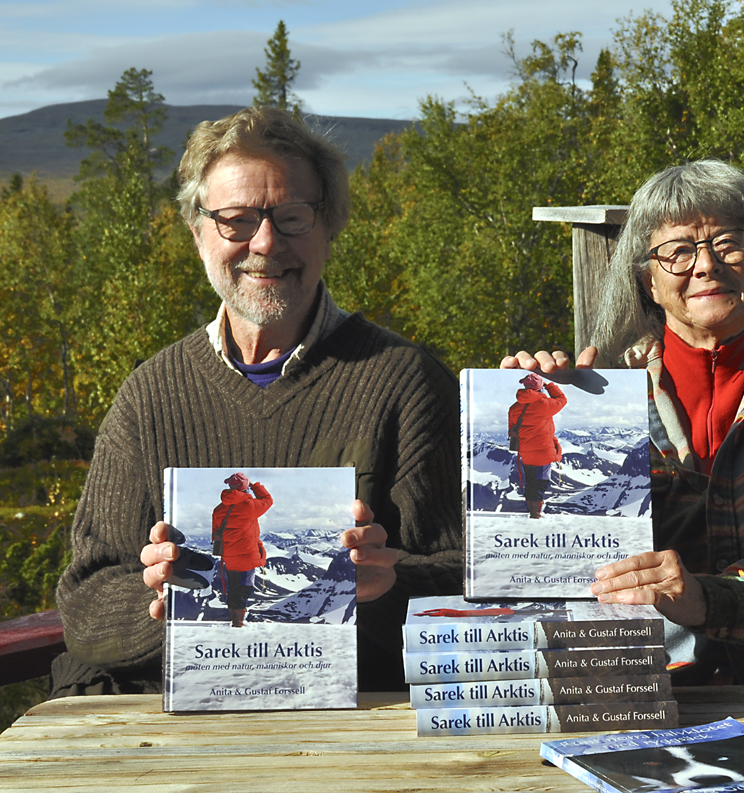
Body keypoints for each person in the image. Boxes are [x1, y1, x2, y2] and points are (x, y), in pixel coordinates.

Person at [52, 107, 462, 696]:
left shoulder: (407, 383)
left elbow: (476, 583)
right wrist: (162, 602)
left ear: (329, 228)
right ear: (198, 235)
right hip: (170, 738)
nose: (266, 243)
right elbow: (86, 605)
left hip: (354, 734)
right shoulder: (151, 395)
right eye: (236, 221)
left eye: (292, 217)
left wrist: (384, 585)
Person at [503, 160, 744, 684]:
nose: (707, 265)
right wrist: (525, 403)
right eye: (678, 251)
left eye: (728, 242)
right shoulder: (599, 400)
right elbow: (535, 564)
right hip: (653, 695)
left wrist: (714, 600)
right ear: (647, 280)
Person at [212, 472, 272, 627]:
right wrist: (255, 486)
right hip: (247, 556)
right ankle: (238, 624)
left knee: (234, 588)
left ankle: (234, 620)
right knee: (244, 589)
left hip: (229, 556)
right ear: (245, 487)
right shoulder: (249, 506)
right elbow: (268, 500)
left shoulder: (218, 509)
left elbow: (216, 532)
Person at [508, 373, 566, 518]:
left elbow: (512, 429)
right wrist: (550, 385)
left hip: (526, 451)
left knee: (531, 481)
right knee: (540, 483)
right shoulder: (544, 404)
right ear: (539, 387)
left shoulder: (514, 407)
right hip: (543, 451)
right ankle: (536, 515)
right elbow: (562, 400)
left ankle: (531, 511)